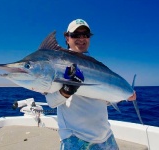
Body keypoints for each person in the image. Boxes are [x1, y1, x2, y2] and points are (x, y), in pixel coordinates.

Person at [45, 19, 136, 150]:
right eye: (76, 35)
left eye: (85, 34)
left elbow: (103, 100)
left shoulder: (96, 66)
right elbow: (51, 102)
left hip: (106, 136)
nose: (81, 38)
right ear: (67, 38)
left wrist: (121, 97)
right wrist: (66, 90)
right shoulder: (57, 63)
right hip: (76, 139)